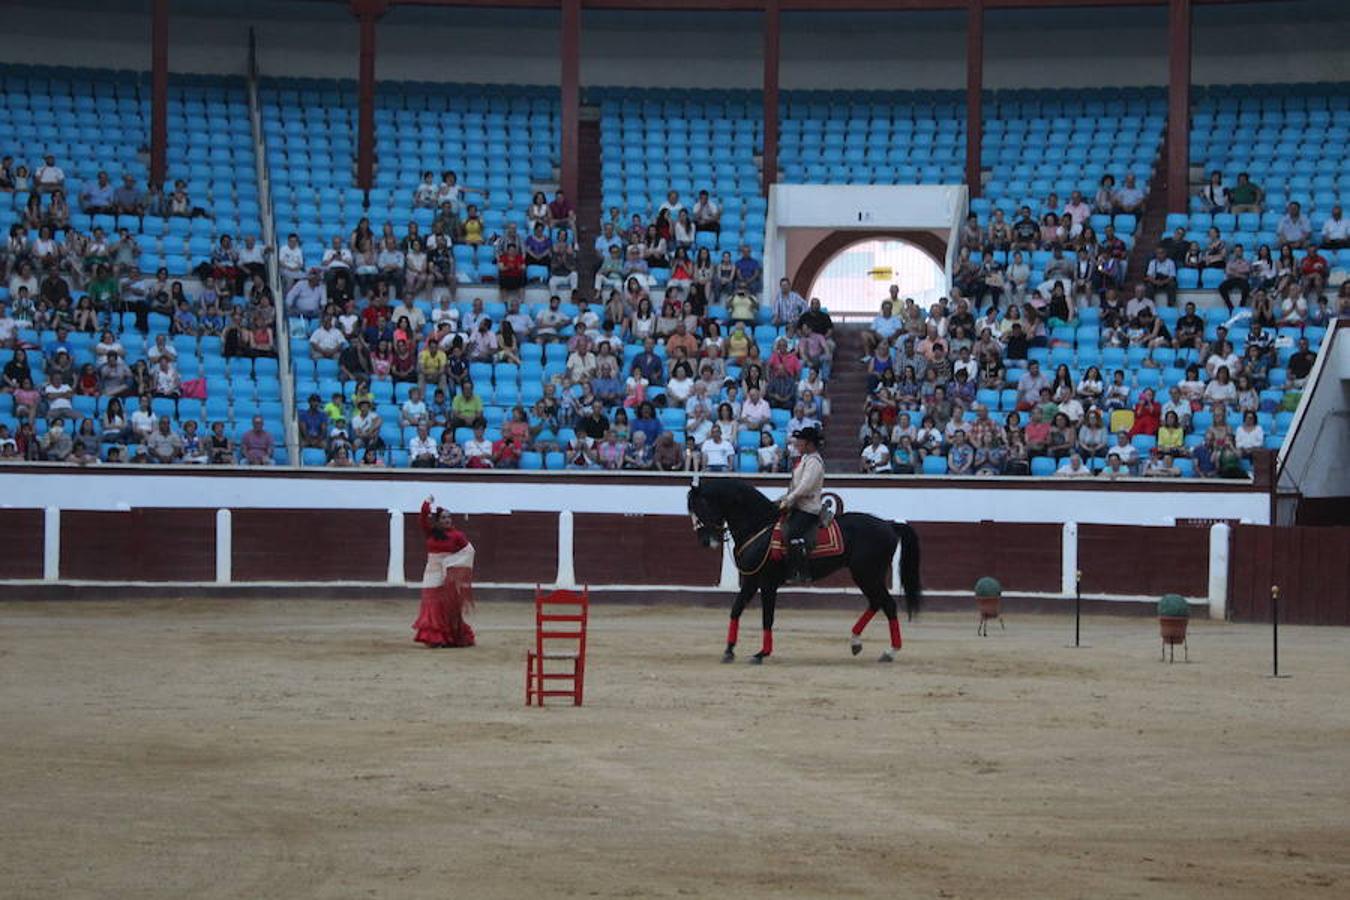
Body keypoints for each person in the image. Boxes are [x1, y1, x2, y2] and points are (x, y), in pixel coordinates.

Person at [412, 496, 476, 649]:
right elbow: (422, 518)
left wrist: (452, 563)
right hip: (431, 572)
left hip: (447, 574)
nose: (447, 520)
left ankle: (447, 638)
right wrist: (427, 503)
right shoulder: (431, 532)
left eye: (449, 517)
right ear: (438, 520)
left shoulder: (457, 535)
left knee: (446, 605)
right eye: (443, 518)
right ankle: (436, 638)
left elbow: (469, 551)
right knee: (431, 602)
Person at [777, 425, 825, 583]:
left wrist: (788, 499)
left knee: (792, 534)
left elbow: (805, 487)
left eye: (801, 441)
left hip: (808, 509)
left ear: (810, 444)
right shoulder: (805, 459)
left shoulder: (814, 462)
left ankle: (801, 571)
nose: (797, 443)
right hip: (798, 505)